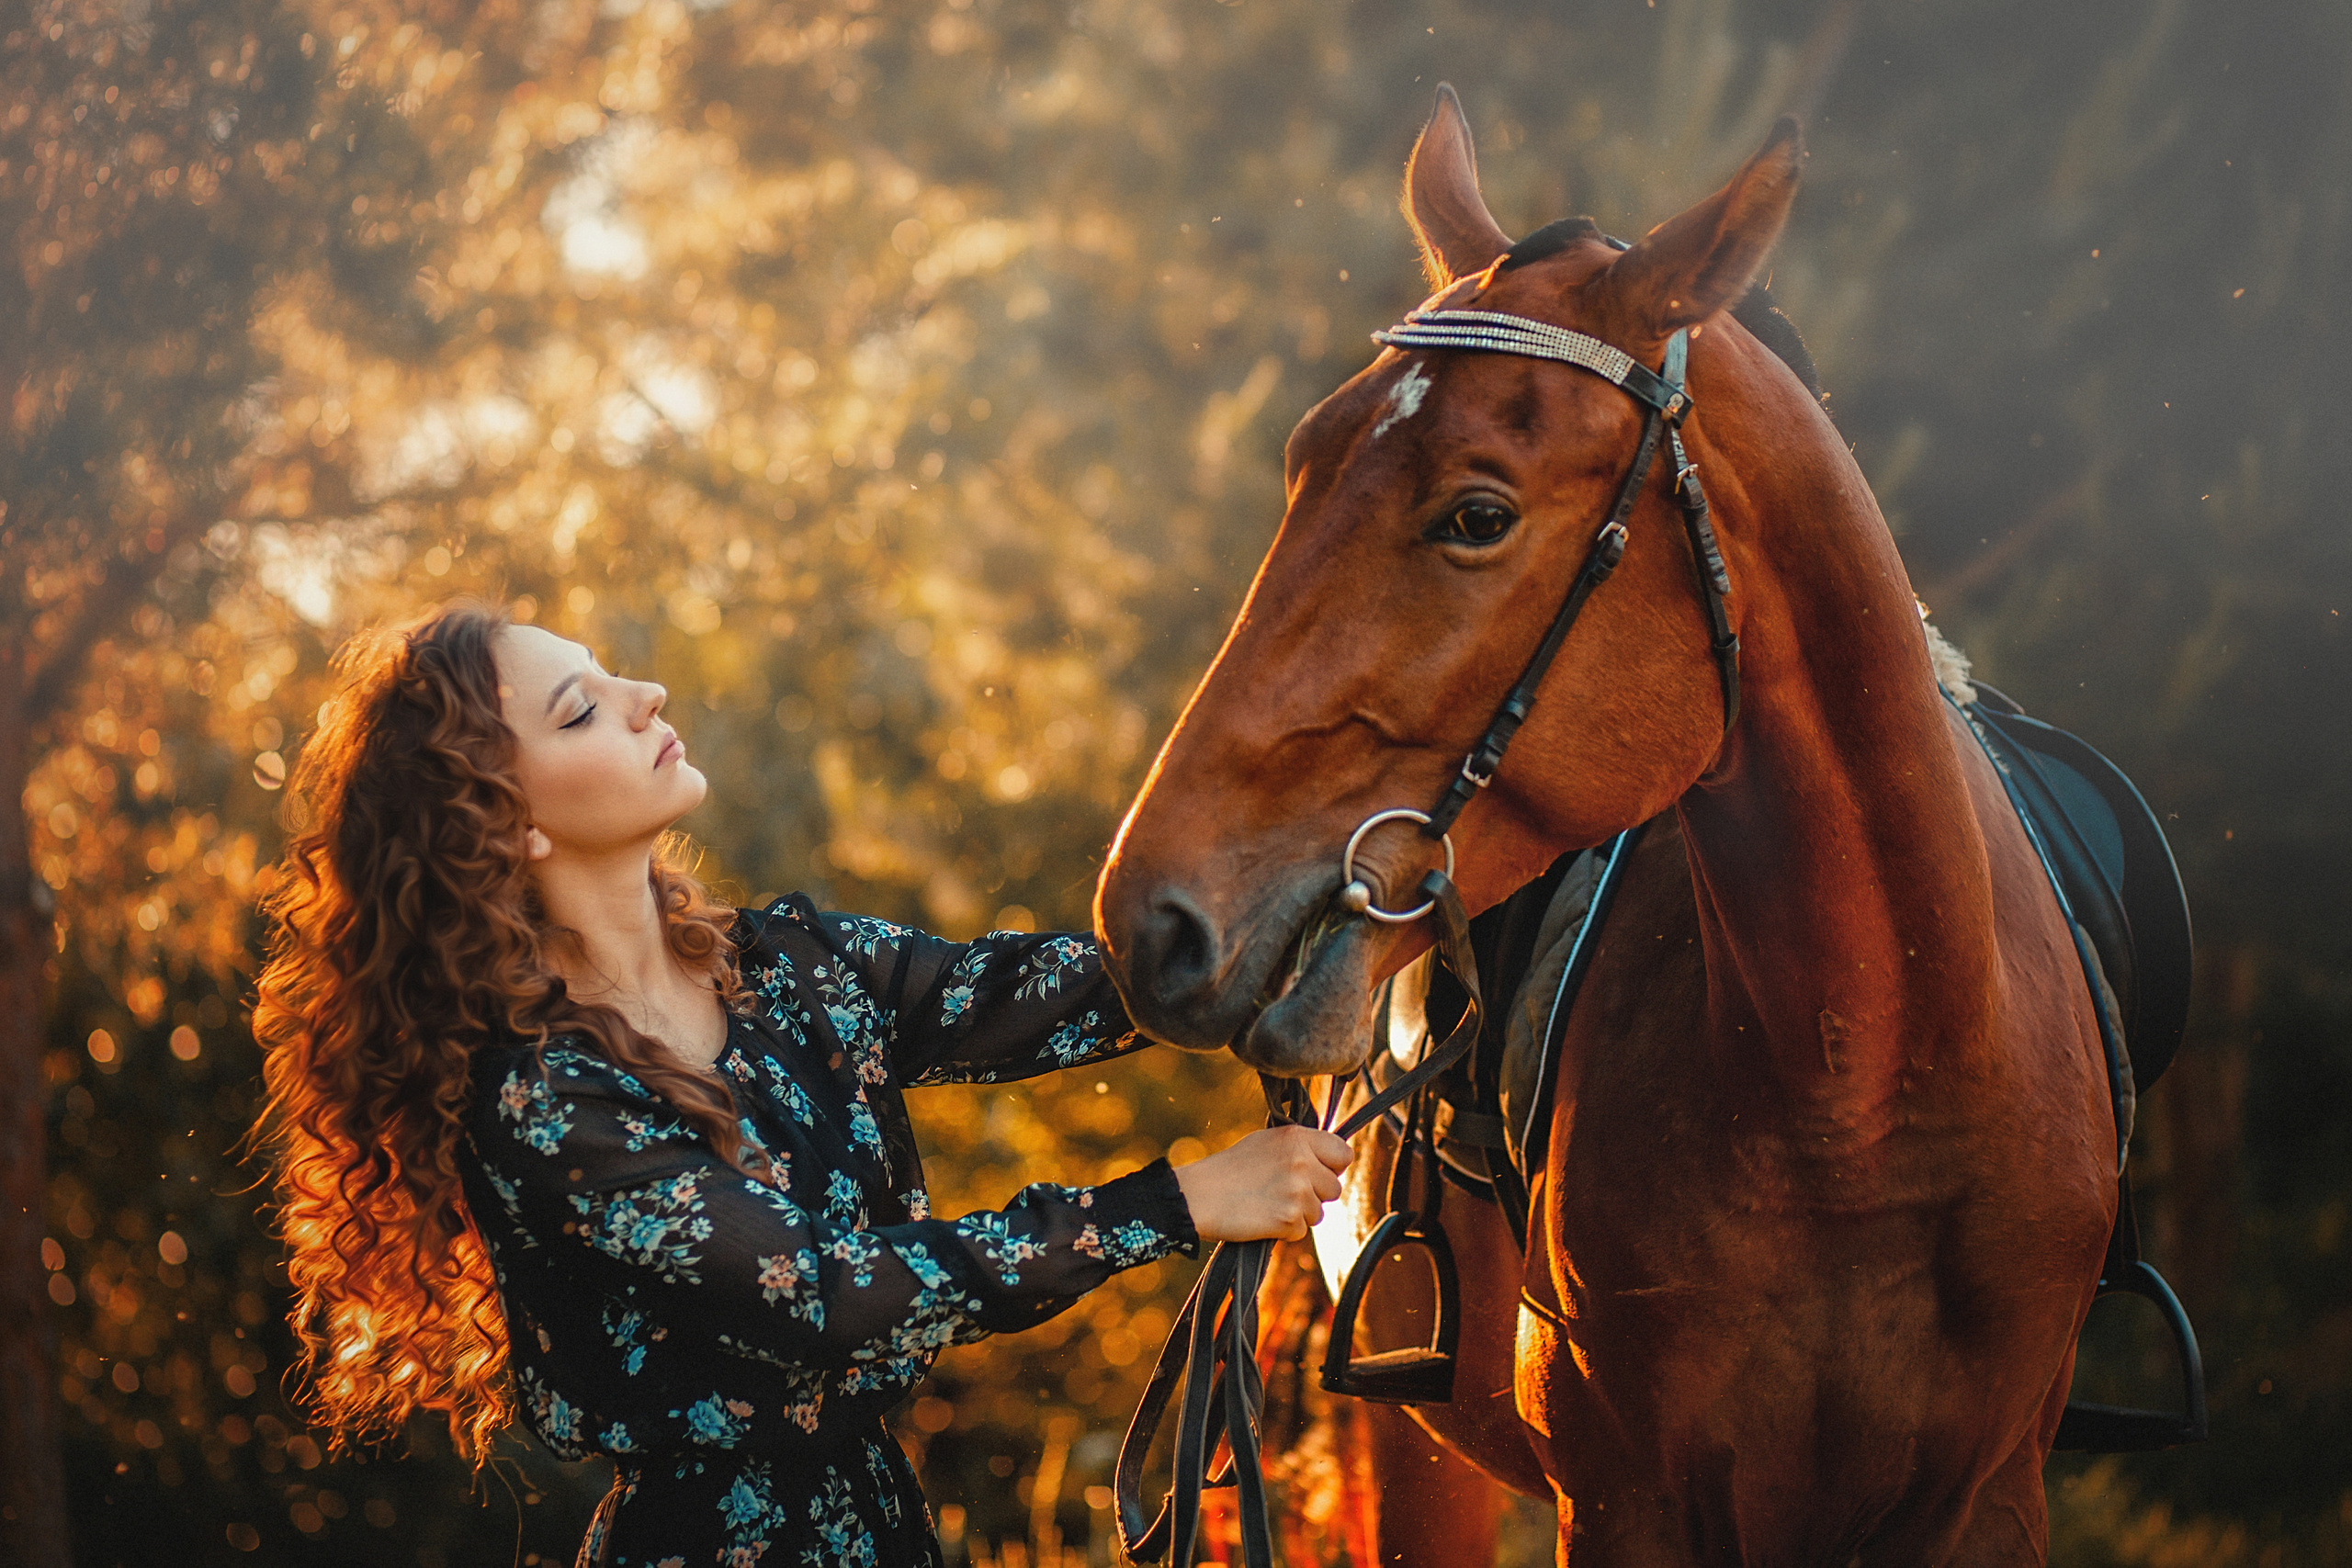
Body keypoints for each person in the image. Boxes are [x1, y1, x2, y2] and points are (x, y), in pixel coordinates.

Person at [252, 601, 1351, 1567]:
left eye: (609, 675)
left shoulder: (788, 968)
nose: (646, 695)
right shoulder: (540, 1100)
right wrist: (1170, 1205)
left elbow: (1028, 994)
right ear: (507, 823)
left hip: (886, 1526)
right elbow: (819, 1297)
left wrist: (1290, 920)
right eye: (581, 710)